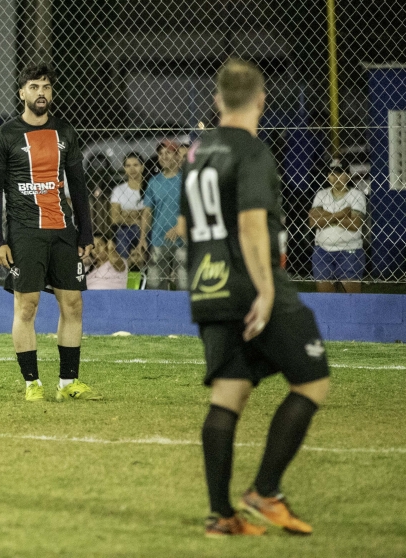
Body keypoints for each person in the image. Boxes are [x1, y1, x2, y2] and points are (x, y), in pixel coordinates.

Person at [181, 59, 329, 537]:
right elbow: (249, 224)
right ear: (262, 100)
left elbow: (189, 222)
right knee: (312, 381)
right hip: (252, 284)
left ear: (217, 100)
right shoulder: (253, 151)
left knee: (228, 396)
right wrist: (266, 291)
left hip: (208, 285)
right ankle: (264, 491)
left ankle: (220, 515)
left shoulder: (197, 151)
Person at [0, 64, 99, 402]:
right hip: (25, 233)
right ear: (21, 92)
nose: (41, 93)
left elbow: (78, 187)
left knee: (73, 305)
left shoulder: (66, 132)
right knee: (27, 306)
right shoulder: (5, 135)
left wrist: (86, 233)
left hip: (62, 229)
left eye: (46, 87)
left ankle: (68, 383)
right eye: (34, 87)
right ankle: (32, 384)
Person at [308, 161, 366, 293]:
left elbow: (354, 224)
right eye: (332, 174)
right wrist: (341, 214)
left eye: (340, 173)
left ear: (348, 175)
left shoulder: (356, 195)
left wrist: (325, 217)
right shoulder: (321, 194)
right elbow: (314, 222)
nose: (335, 178)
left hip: (350, 250)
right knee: (326, 298)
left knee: (350, 298)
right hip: (322, 250)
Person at [140, 140, 187, 290]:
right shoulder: (154, 182)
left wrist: (180, 227)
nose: (163, 156)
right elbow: (147, 211)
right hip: (159, 239)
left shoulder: (186, 180)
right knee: (155, 287)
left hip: (183, 240)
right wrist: (142, 237)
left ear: (177, 156)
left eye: (168, 152)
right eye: (160, 153)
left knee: (183, 286)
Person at [110, 152, 147, 261]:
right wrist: (139, 216)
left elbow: (152, 214)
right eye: (128, 166)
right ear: (124, 168)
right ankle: (124, 266)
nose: (132, 169)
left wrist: (127, 214)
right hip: (125, 230)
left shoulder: (149, 188)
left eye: (135, 165)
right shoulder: (118, 190)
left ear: (142, 167)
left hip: (146, 229)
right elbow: (115, 218)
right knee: (123, 233)